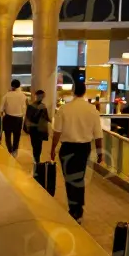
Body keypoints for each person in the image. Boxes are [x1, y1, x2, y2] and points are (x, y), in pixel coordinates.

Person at [50, 81, 104, 223]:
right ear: (85, 91)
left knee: (69, 179)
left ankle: (73, 208)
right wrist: (100, 153)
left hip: (67, 148)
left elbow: (57, 132)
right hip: (83, 149)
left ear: (73, 91)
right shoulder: (92, 110)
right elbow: (98, 135)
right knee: (79, 177)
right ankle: (78, 209)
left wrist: (52, 149)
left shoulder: (64, 109)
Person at [0, 80, 27, 155]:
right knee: (17, 136)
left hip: (8, 118)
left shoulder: (7, 95)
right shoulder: (23, 96)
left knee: (7, 136)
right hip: (19, 119)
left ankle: (9, 150)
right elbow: (24, 109)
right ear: (19, 85)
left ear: (11, 85)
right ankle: (14, 151)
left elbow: (1, 109)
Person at [24, 90, 51, 164]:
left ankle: (36, 158)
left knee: (34, 144)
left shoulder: (31, 106)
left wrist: (27, 127)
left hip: (33, 128)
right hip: (41, 128)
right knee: (39, 145)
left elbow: (28, 118)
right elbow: (47, 118)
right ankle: (37, 158)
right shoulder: (43, 106)